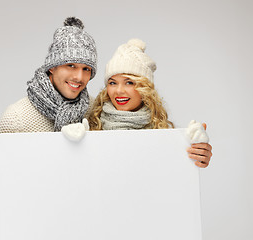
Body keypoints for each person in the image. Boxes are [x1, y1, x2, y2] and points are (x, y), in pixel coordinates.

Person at [0, 16, 97, 239]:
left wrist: (183, 148)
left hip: (85, 226)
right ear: (52, 67)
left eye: (86, 69)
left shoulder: (95, 110)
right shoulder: (17, 118)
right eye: (71, 65)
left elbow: (129, 152)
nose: (79, 76)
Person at [87, 38, 212, 168]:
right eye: (112, 83)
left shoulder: (162, 132)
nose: (118, 91)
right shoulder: (90, 123)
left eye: (129, 82)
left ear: (145, 88)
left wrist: (197, 154)